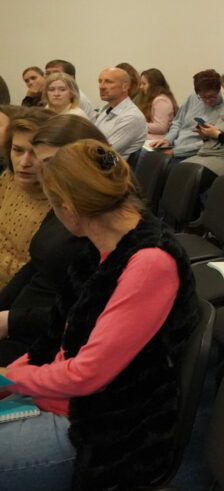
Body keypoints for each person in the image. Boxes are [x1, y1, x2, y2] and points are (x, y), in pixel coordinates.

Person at [0, 139, 197, 490]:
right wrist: (13, 375)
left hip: (97, 428)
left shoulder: (149, 262)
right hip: (64, 402)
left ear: (70, 209)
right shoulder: (104, 246)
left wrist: (10, 379)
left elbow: (87, 375)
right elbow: (60, 338)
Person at [0, 115, 106, 365]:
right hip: (23, 322)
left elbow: (89, 316)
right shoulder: (64, 199)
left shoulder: (103, 226)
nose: (30, 165)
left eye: (49, 162)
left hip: (49, 341)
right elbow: (34, 267)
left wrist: (10, 320)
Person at [0, 109, 54, 288]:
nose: (24, 162)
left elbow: (33, 278)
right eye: (17, 150)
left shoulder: (61, 205)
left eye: (35, 153)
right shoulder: (9, 178)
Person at [149, 69, 224, 160]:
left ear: (219, 90)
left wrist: (176, 152)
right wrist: (168, 140)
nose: (207, 101)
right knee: (145, 156)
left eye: (212, 97)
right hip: (174, 146)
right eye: (203, 97)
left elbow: (208, 144)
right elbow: (177, 122)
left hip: (193, 153)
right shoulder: (193, 96)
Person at [93, 67, 148, 157]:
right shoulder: (108, 109)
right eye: (100, 81)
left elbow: (103, 152)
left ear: (124, 87)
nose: (101, 86)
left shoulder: (131, 117)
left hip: (111, 169)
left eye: (108, 82)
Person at [137, 68, 178, 144]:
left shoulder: (161, 100)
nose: (141, 87)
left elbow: (161, 127)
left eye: (144, 84)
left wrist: (136, 125)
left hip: (157, 141)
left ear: (153, 85)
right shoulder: (150, 99)